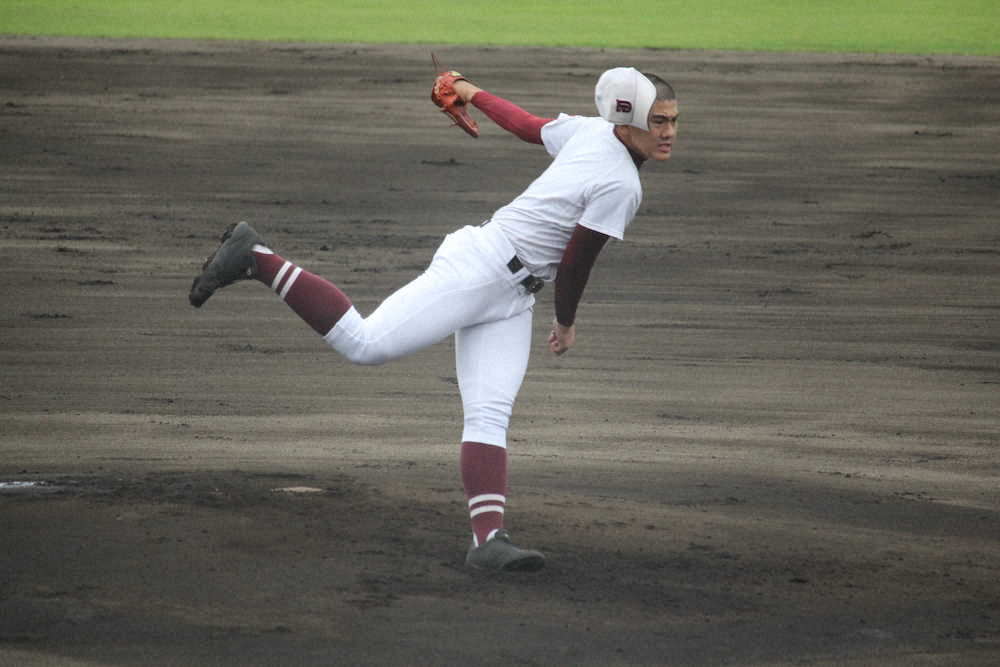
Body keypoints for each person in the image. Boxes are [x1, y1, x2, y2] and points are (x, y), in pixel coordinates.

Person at [189, 66, 679, 572]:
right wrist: (567, 322)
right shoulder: (620, 181)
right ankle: (258, 258)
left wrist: (468, 90)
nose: (668, 132)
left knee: (490, 413)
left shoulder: (593, 131)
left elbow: (525, 125)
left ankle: (489, 540)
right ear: (629, 120)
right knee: (365, 343)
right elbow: (577, 261)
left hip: (512, 295)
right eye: (658, 120)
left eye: (673, 121)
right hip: (480, 267)